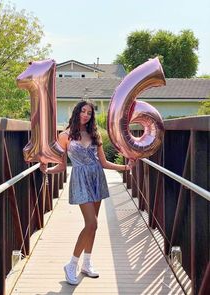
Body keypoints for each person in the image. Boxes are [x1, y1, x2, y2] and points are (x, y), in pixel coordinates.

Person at [40, 100, 135, 285]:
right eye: (83, 111)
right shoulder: (65, 136)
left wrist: (126, 166)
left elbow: (104, 163)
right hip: (80, 180)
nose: (85, 115)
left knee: (94, 225)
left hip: (97, 178)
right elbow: (61, 165)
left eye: (89, 113)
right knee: (91, 223)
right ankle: (71, 264)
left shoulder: (94, 133)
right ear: (77, 112)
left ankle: (87, 263)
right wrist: (47, 170)